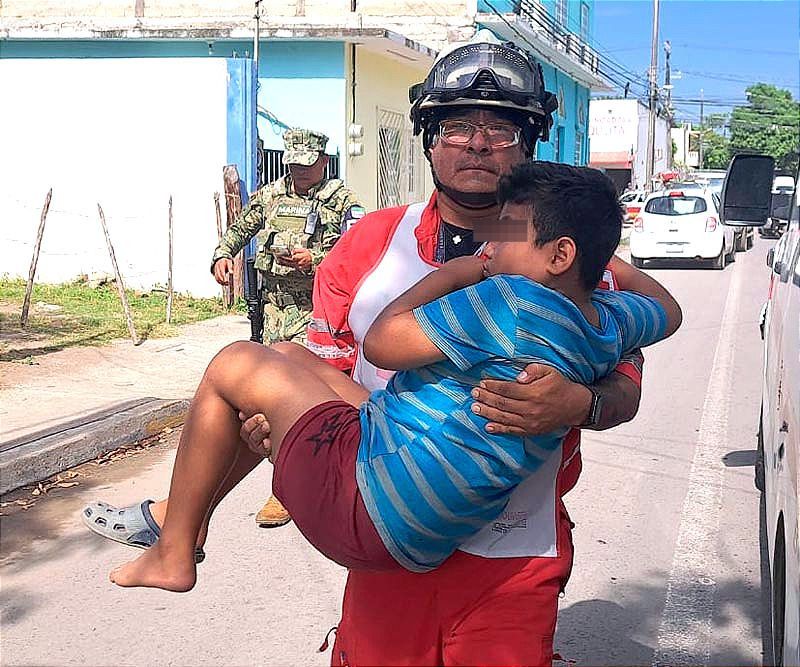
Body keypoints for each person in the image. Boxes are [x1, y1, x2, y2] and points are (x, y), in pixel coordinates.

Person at [87, 35, 646, 664]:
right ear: (429, 139)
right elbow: (321, 376)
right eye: (457, 126)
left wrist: (581, 404)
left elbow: (627, 387)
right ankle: (180, 520)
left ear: (530, 143)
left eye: (502, 128)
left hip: (513, 552)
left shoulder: (569, 260)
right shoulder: (370, 242)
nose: (478, 143)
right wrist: (278, 433)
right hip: (389, 523)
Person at [108, 160, 681, 592]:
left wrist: (457, 273)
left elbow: (382, 344)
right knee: (286, 354)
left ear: (557, 256)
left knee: (234, 361)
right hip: (422, 525)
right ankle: (187, 521)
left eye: (508, 233)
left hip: (369, 503)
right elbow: (668, 309)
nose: (491, 244)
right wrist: (598, 256)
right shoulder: (608, 319)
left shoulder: (505, 300)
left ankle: (174, 550)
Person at [81, 128, 365, 539]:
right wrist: (222, 255)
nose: (300, 171)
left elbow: (358, 253)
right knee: (257, 410)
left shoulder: (341, 201)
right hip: (273, 312)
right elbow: (239, 230)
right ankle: (200, 514)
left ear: (323, 160)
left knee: (296, 406)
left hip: (315, 315)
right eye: (294, 164)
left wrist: (315, 258)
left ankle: (280, 492)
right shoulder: (271, 196)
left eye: (307, 164)